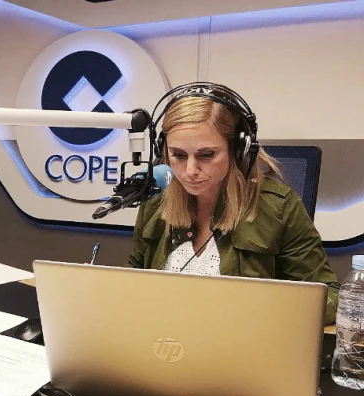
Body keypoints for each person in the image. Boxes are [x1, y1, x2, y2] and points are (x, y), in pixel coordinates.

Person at [128, 82, 339, 324]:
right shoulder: (155, 204)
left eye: (206, 155)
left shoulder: (280, 208)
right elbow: (132, 284)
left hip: (245, 343)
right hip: (163, 340)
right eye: (179, 155)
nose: (190, 170)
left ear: (238, 149)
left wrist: (267, 311)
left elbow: (329, 297)